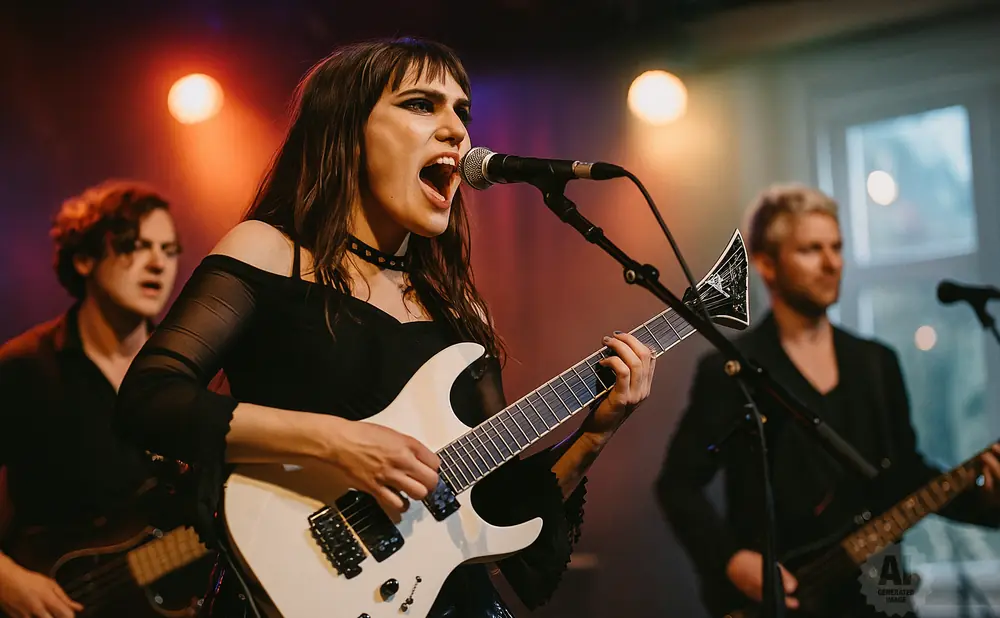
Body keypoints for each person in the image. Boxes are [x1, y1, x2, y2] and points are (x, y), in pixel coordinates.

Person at [113, 37, 656, 618]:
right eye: (421, 105)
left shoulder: (459, 309)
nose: (457, 130)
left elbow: (495, 508)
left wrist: (595, 433)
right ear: (347, 131)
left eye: (462, 112)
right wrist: (339, 442)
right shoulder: (270, 253)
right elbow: (151, 399)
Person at [655, 183, 1000, 618]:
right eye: (810, 250)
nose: (832, 262)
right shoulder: (732, 368)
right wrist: (730, 561)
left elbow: (904, 476)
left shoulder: (876, 362)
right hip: (786, 596)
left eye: (837, 247)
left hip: (883, 587)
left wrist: (985, 497)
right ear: (766, 263)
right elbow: (677, 484)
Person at [0, 180, 183, 618]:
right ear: (84, 259)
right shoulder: (24, 366)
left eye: (169, 249)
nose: (158, 263)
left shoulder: (188, 371)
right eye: (135, 246)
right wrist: (6, 580)